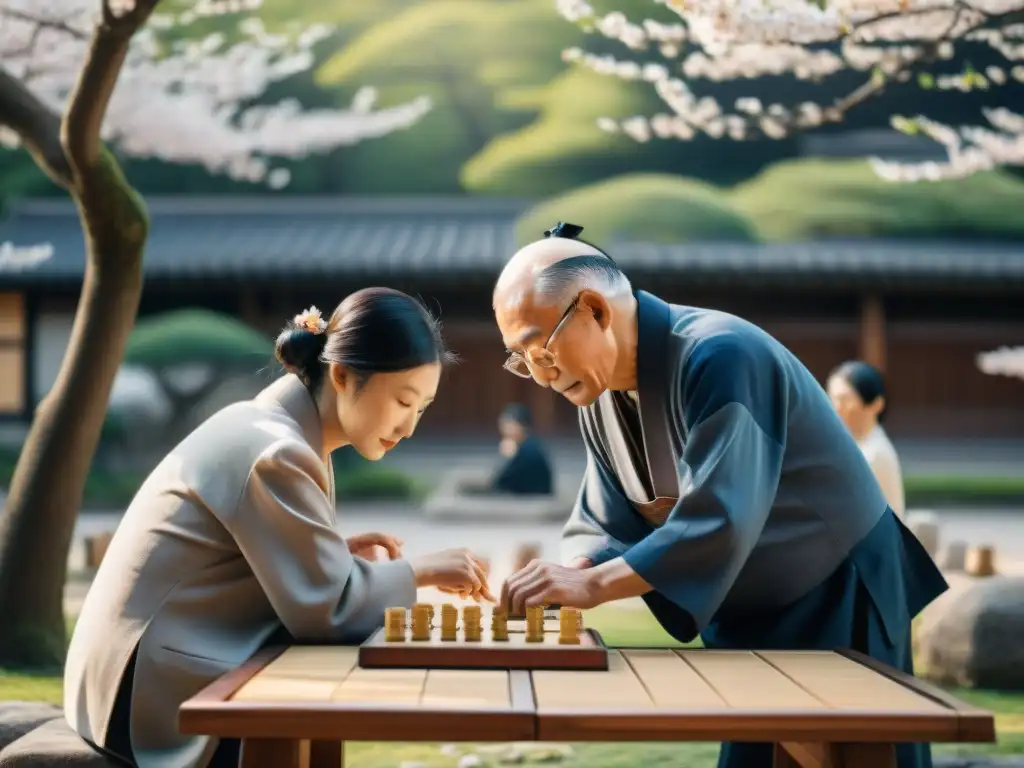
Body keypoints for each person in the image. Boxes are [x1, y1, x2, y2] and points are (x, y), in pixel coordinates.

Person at [492, 223, 947, 768]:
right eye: (524, 362)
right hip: (747, 604)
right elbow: (608, 518)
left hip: (836, 589)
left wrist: (591, 582)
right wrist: (573, 575)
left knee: (859, 753)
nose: (543, 378)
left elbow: (719, 516)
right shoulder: (600, 395)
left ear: (594, 309)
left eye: (542, 351)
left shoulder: (721, 354)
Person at [64, 288, 495, 768]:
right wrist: (422, 571)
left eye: (422, 409)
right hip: (153, 691)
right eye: (403, 400)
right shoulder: (277, 451)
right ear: (344, 375)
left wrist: (329, 554)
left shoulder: (269, 427)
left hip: (136, 668)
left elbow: (231, 560)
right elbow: (330, 613)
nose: (409, 427)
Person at [828, 360, 906, 518]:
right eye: (832, 398)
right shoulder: (853, 446)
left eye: (845, 399)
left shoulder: (875, 454)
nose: (836, 407)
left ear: (876, 405)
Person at [488, 403, 554, 495]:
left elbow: (500, 483)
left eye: (507, 424)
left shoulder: (527, 449)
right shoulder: (529, 444)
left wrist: (508, 457)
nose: (503, 429)